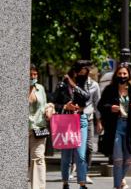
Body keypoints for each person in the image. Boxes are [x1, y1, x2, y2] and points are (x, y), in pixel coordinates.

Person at [52, 61, 95, 189]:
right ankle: (65, 182)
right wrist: (66, 106)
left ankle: (82, 184)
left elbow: (86, 97)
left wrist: (73, 85)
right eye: (83, 70)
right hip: (66, 121)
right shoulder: (62, 85)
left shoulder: (83, 84)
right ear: (76, 71)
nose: (85, 73)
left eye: (86, 71)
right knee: (66, 156)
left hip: (81, 119)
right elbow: (55, 104)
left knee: (81, 154)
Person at [100, 64, 131, 189]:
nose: (122, 76)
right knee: (118, 159)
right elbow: (100, 106)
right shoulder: (110, 89)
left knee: (130, 159)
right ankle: (117, 186)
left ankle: (120, 178)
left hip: (130, 127)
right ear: (116, 75)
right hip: (115, 126)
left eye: (124, 74)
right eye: (120, 74)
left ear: (128, 75)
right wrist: (110, 108)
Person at [28, 65, 50, 189]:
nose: (33, 77)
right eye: (30, 74)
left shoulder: (40, 88)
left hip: (39, 127)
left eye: (35, 74)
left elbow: (45, 104)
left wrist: (49, 109)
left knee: (38, 159)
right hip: (22, 128)